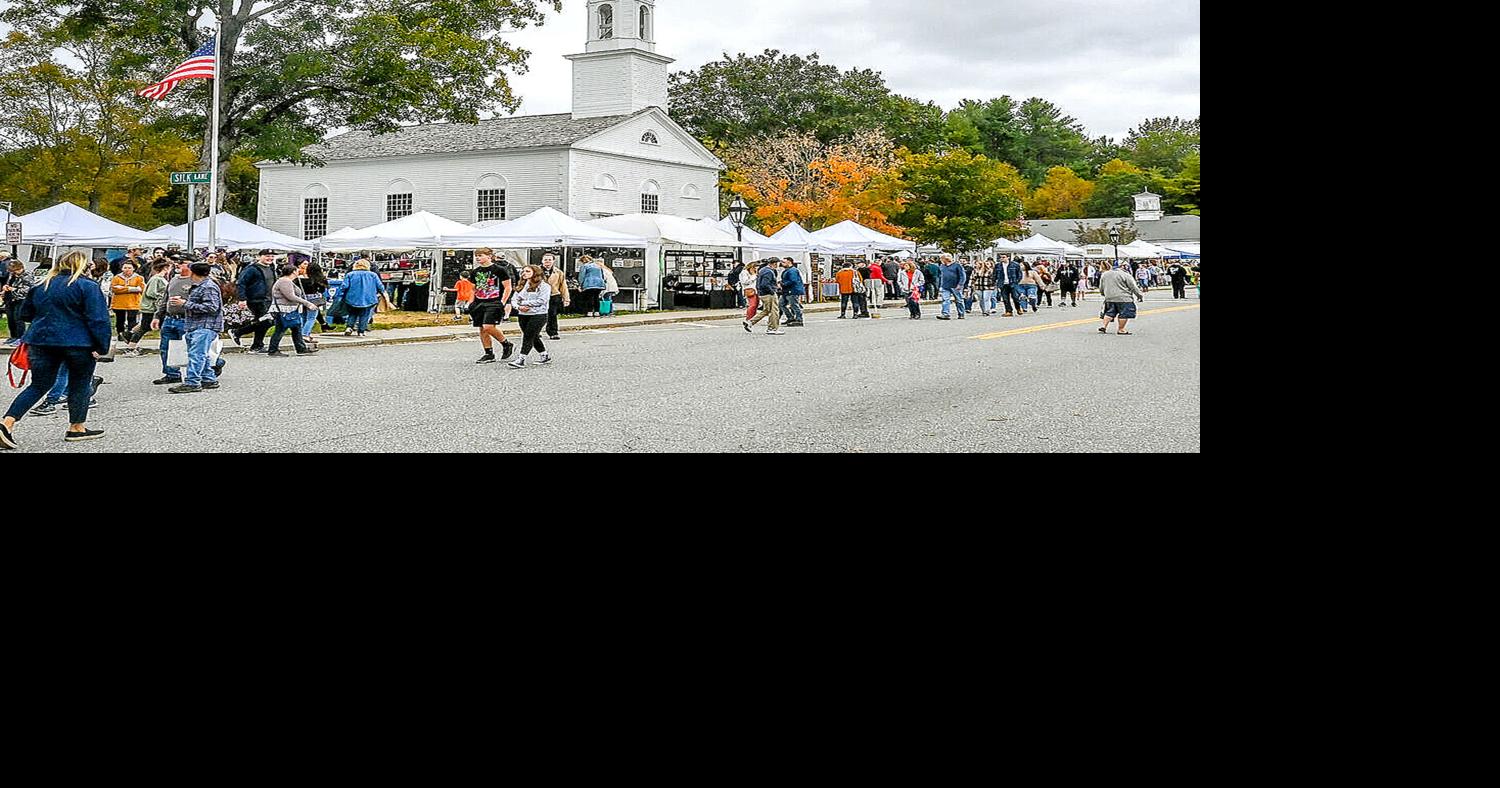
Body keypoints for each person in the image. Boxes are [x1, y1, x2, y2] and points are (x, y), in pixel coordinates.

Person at [1, 251, 112, 449]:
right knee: (79, 383)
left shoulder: (41, 285)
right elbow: (99, 320)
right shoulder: (87, 286)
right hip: (78, 342)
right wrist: (102, 346)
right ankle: (76, 427)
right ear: (82, 265)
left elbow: (25, 314)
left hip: (42, 340)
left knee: (39, 385)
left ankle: (7, 423)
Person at [168, 262, 226, 393]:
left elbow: (212, 307)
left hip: (205, 325)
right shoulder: (200, 286)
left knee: (197, 355)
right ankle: (208, 378)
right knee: (201, 354)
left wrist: (185, 304)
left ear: (193, 273)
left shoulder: (208, 287)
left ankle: (192, 382)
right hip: (195, 325)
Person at [467, 248, 516, 364]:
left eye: (481, 255)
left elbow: (508, 287)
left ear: (489, 256)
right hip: (479, 301)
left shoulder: (499, 269)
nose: (478, 258)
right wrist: (470, 303)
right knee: (482, 328)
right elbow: (473, 289)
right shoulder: (475, 271)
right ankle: (488, 353)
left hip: (494, 301)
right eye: (476, 256)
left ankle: (506, 343)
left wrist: (503, 302)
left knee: (488, 326)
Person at [266, 264, 320, 358]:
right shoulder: (284, 281)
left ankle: (301, 348)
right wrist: (307, 303)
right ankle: (273, 349)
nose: (298, 271)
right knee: (280, 330)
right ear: (293, 271)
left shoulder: (288, 281)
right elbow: (291, 296)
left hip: (290, 309)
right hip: (283, 310)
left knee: (296, 328)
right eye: (297, 270)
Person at [507, 264, 553, 369]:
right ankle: (544, 355)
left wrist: (525, 303)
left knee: (528, 336)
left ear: (535, 273)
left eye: (528, 271)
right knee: (533, 336)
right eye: (523, 271)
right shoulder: (522, 285)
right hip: (523, 314)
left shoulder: (544, 286)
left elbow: (542, 300)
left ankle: (521, 359)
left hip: (538, 314)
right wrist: (518, 307)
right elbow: (514, 299)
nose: (524, 273)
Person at [233, 250, 278, 352]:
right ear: (260, 256)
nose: (270, 258)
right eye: (267, 256)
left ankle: (257, 345)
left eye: (272, 256)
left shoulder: (271, 268)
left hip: (268, 299)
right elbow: (241, 283)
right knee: (267, 321)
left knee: (263, 321)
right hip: (256, 299)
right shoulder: (252, 269)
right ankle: (238, 332)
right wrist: (242, 299)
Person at [109, 261, 146, 356]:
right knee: (119, 320)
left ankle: (130, 336)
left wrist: (123, 288)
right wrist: (131, 288)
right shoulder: (116, 278)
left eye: (129, 268)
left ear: (133, 268)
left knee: (132, 320)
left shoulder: (138, 278)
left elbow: (141, 288)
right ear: (122, 268)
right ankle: (120, 335)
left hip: (133, 303)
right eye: (125, 267)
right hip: (119, 303)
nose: (127, 270)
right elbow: (114, 289)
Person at [1098, 261, 1146, 336]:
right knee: (1124, 314)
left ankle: (1104, 326)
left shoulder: (1105, 274)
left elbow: (1101, 286)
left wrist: (1103, 293)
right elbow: (1133, 286)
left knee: (1109, 313)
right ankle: (1121, 329)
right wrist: (1139, 295)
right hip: (1124, 298)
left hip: (1109, 297)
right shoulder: (1125, 274)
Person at [340, 259, 383, 338]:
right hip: (368, 298)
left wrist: (341, 295)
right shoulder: (373, 275)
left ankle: (349, 327)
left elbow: (344, 286)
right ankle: (361, 331)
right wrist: (382, 293)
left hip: (352, 298)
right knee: (365, 315)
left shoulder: (350, 274)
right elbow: (380, 286)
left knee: (352, 314)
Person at [744, 255, 785, 335]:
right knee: (774, 311)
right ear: (774, 264)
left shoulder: (763, 270)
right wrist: (772, 291)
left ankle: (750, 322)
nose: (778, 266)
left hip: (762, 293)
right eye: (778, 264)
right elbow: (765, 284)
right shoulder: (769, 272)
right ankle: (772, 328)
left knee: (767, 310)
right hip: (768, 294)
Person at [295, 261, 330, 347]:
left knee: (303, 317)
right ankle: (305, 334)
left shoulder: (300, 279)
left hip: (303, 298)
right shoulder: (320, 279)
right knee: (311, 318)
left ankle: (303, 334)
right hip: (314, 299)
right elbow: (322, 290)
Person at [3, 259, 35, 345]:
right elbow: (9, 283)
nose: (14, 273)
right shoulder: (12, 275)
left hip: (20, 299)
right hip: (10, 299)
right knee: (10, 318)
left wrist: (13, 289)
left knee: (18, 319)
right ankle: (13, 336)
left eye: (15, 271)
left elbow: (28, 290)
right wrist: (6, 287)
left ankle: (20, 337)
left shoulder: (27, 275)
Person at [541, 253, 570, 340]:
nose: (547, 262)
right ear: (542, 261)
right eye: (545, 260)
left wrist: (566, 298)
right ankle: (536, 331)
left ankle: (553, 332)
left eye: (550, 260)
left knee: (552, 314)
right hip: (540, 296)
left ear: (553, 261)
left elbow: (563, 286)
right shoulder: (536, 271)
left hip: (553, 295)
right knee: (539, 314)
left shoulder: (558, 272)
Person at [936, 254, 968, 321]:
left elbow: (962, 276)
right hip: (945, 286)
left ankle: (961, 313)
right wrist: (940, 285)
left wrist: (960, 284)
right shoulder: (942, 266)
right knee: (945, 300)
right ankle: (945, 314)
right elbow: (940, 276)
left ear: (946, 259)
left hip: (955, 286)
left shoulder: (957, 265)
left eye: (942, 259)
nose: (941, 260)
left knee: (959, 300)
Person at [780, 258, 805, 327]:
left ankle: (799, 319)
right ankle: (790, 318)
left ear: (789, 262)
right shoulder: (788, 270)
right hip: (786, 291)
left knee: (794, 305)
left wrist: (783, 284)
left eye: (784, 262)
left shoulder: (793, 270)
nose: (782, 263)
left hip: (793, 290)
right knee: (781, 304)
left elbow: (793, 280)